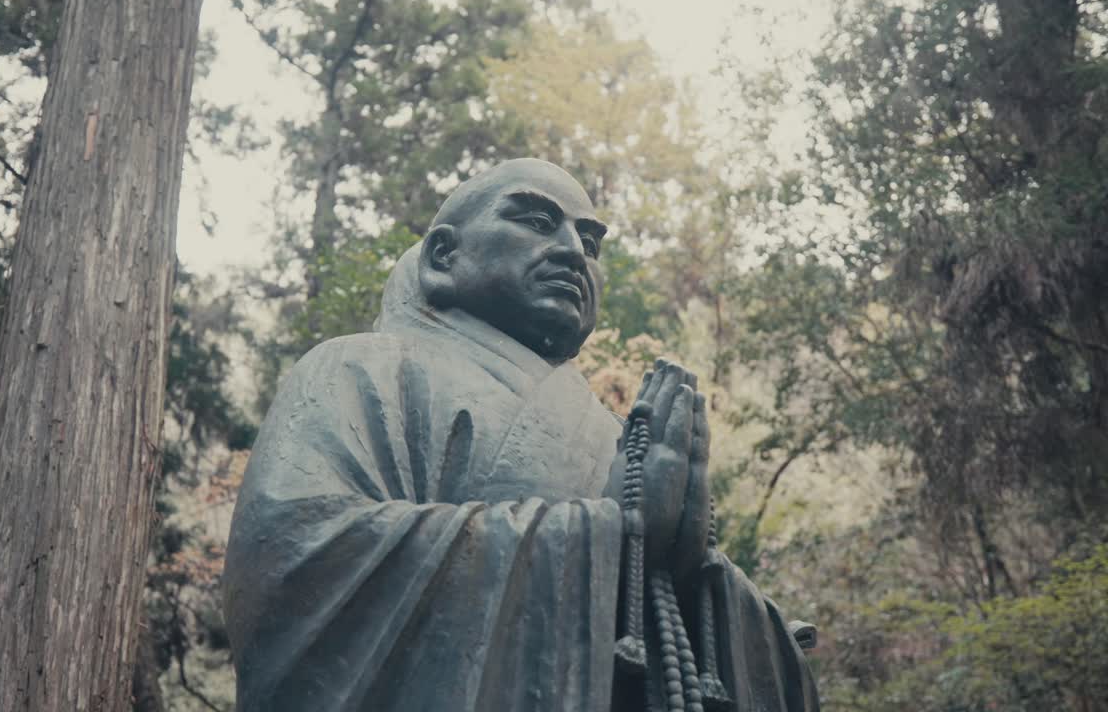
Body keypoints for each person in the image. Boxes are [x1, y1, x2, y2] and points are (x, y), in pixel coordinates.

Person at [222, 158, 818, 711]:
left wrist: (692, 575)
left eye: (589, 243)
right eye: (536, 221)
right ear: (442, 258)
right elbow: (295, 556)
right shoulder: (363, 370)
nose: (572, 253)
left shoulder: (618, 436)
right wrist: (612, 535)